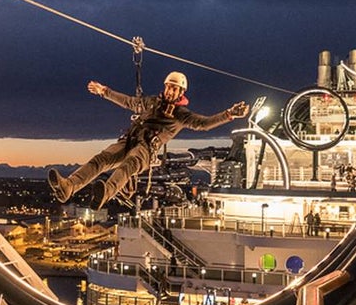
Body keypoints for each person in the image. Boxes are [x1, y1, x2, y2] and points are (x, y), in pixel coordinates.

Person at [47, 71, 249, 207]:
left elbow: (203, 123)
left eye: (174, 89)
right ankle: (68, 187)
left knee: (128, 165)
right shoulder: (151, 102)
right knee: (101, 159)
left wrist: (229, 114)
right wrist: (104, 92)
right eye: (168, 87)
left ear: (181, 92)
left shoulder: (181, 114)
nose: (170, 91)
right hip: (129, 139)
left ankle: (105, 192)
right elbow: (129, 102)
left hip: (146, 149)